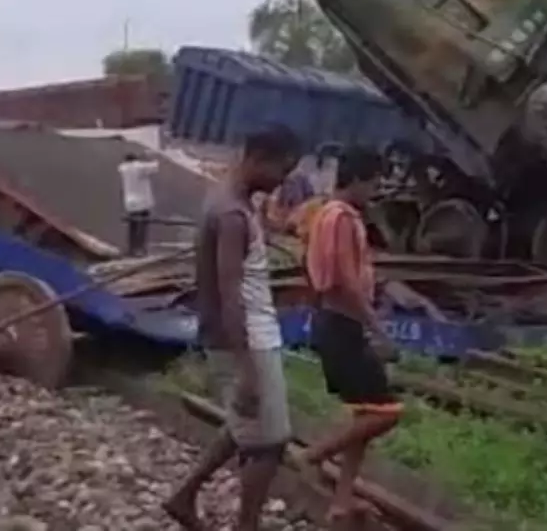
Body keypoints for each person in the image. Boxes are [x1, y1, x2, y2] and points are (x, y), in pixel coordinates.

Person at [164, 124, 302, 531]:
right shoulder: (231, 215)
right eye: (282, 169)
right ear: (258, 159)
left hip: (248, 337)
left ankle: (184, 496)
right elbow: (229, 293)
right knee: (270, 444)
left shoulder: (231, 202)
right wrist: (244, 368)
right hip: (248, 340)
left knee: (243, 427)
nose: (283, 180)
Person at [296, 147, 404, 527]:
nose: (375, 191)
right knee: (388, 412)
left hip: (335, 322)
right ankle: (311, 455)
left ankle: (341, 501)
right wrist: (378, 330)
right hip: (343, 324)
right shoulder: (341, 217)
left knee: (366, 413)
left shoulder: (325, 214)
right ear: (357, 179)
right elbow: (344, 280)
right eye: (374, 183)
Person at [118, 152, 159, 257]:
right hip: (142, 202)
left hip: (130, 203)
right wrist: (151, 156)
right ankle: (140, 249)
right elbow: (155, 166)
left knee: (132, 227)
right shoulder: (139, 168)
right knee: (142, 227)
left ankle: (131, 249)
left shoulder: (123, 169)